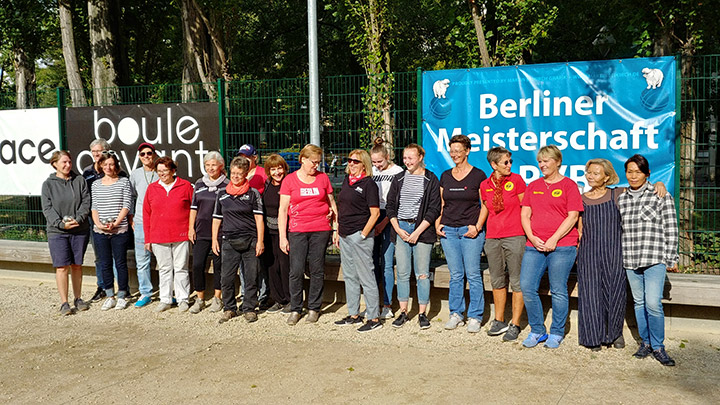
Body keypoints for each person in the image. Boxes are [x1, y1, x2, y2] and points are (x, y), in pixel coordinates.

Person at [577, 158, 667, 351]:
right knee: (591, 295)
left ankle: (615, 333)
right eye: (589, 172)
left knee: (615, 293)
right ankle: (593, 337)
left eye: (595, 173)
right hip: (589, 253)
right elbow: (580, 229)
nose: (590, 176)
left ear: (607, 177)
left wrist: (659, 184)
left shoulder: (618, 194)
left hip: (615, 252)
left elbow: (643, 189)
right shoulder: (582, 199)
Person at [519, 145, 583, 349]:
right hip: (534, 246)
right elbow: (525, 215)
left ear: (557, 162)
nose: (542, 165)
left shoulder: (569, 185)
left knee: (558, 290)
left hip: (562, 246)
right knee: (527, 287)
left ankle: (557, 332)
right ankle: (537, 330)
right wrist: (533, 237)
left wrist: (554, 239)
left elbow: (573, 216)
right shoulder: (533, 185)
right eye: (540, 161)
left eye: (546, 161)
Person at [618, 154, 678, 366]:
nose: (633, 176)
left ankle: (659, 346)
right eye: (629, 172)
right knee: (639, 303)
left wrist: (671, 256)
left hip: (654, 257)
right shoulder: (622, 198)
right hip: (631, 258)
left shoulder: (660, 194)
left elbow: (671, 227)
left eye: (638, 172)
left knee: (653, 304)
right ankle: (645, 343)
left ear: (647, 174)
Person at [278, 144, 338, 325]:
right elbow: (282, 210)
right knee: (296, 270)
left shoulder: (323, 178)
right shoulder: (289, 180)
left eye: (319, 163)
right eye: (313, 162)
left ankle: (314, 308)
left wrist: (336, 227)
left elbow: (332, 203)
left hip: (320, 229)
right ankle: (296, 308)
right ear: (303, 159)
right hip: (297, 230)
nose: (316, 166)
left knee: (317, 269)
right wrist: (282, 236)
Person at [386, 143, 441, 330]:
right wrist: (398, 230)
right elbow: (391, 206)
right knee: (402, 272)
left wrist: (417, 232)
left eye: (410, 158)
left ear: (420, 158)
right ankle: (403, 311)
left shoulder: (431, 179)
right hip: (401, 227)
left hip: (422, 231)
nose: (407, 161)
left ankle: (422, 313)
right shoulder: (399, 178)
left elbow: (434, 208)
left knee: (422, 274)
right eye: (404, 158)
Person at [436, 135, 487, 333]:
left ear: (467, 151)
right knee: (456, 275)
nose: (455, 154)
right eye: (452, 150)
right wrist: (438, 224)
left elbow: (485, 205)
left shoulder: (478, 175)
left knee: (473, 274)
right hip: (449, 230)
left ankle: (475, 316)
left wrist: (478, 226)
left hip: (470, 231)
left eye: (459, 150)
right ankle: (456, 313)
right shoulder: (446, 175)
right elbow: (442, 203)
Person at [479, 147, 526, 341]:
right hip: (492, 237)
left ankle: (515, 323)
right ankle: (499, 319)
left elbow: (526, 208)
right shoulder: (484, 185)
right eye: (505, 162)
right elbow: (485, 207)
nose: (509, 165)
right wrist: (477, 226)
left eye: (510, 162)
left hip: (515, 235)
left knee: (517, 280)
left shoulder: (516, 180)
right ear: (494, 164)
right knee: (497, 280)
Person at [333, 150, 382, 332]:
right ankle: (354, 314)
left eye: (356, 161)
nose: (351, 164)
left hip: (359, 235)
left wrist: (363, 235)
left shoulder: (369, 184)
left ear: (364, 164)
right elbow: (342, 207)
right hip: (345, 234)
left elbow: (375, 213)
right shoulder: (347, 181)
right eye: (349, 160)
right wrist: (338, 230)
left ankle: (374, 317)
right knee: (350, 276)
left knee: (366, 277)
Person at [212, 155, 265, 323]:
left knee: (250, 276)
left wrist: (260, 241)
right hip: (228, 241)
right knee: (226, 277)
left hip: (249, 240)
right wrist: (215, 239)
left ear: (245, 174)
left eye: (239, 173)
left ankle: (249, 308)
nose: (235, 176)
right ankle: (229, 308)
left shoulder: (253, 193)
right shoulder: (222, 193)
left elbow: (259, 220)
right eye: (233, 173)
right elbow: (216, 218)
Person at [41, 151, 92, 315]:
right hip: (57, 232)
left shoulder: (79, 180)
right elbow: (47, 208)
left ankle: (78, 298)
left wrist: (78, 219)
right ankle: (64, 302)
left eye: (69, 162)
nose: (68, 165)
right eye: (64, 162)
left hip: (79, 230)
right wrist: (60, 224)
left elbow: (86, 201)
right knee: (62, 267)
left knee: (77, 265)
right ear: (54, 164)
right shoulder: (48, 184)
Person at [143, 156, 194, 313]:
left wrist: (191, 230)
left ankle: (182, 298)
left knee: (181, 268)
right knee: (164, 268)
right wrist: (148, 238)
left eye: (165, 170)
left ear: (173, 170)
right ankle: (165, 299)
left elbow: (193, 209)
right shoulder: (152, 188)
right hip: (159, 236)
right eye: (159, 171)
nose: (162, 174)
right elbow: (146, 213)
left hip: (181, 235)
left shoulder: (185, 186)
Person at [91, 151, 133, 311]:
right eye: (105, 164)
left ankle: (122, 295)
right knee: (105, 263)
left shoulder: (123, 182)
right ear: (101, 165)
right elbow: (94, 207)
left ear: (116, 165)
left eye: (111, 164)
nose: (108, 167)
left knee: (120, 263)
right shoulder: (95, 184)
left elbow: (126, 205)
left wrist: (115, 223)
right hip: (100, 231)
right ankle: (110, 295)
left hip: (119, 230)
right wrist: (99, 224)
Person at [188, 151, 228, 314]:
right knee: (197, 265)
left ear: (221, 166)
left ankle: (217, 298)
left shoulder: (227, 184)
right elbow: (193, 208)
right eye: (207, 165)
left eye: (213, 165)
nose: (210, 168)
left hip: (220, 232)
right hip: (201, 231)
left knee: (219, 265)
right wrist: (191, 227)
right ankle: (200, 298)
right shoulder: (199, 184)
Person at [371, 138, 403, 319]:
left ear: (388, 157)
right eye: (374, 162)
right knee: (373, 262)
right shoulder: (372, 171)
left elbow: (398, 201)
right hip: (373, 216)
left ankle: (387, 304)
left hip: (390, 218)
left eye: (380, 162)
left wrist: (385, 222)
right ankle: (373, 302)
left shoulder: (398, 172)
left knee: (387, 263)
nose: (377, 166)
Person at [236, 143, 270, 308]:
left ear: (254, 158)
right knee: (244, 261)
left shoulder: (263, 173)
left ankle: (263, 295)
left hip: (259, 222)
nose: (244, 160)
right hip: (242, 224)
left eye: (247, 157)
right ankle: (246, 294)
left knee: (260, 260)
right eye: (241, 157)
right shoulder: (237, 174)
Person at [261, 154, 292, 313]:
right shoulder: (266, 185)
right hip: (268, 232)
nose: (277, 172)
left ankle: (290, 299)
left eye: (279, 168)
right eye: (273, 169)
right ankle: (278, 299)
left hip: (285, 231)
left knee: (285, 266)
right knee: (271, 266)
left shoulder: (290, 184)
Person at [129, 142, 158, 308]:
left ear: (154, 154)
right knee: (142, 260)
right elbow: (131, 197)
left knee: (166, 259)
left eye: (149, 153)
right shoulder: (135, 174)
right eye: (142, 154)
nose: (146, 156)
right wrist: (132, 218)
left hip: (159, 222)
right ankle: (145, 292)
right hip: (140, 222)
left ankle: (169, 292)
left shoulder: (161, 171)